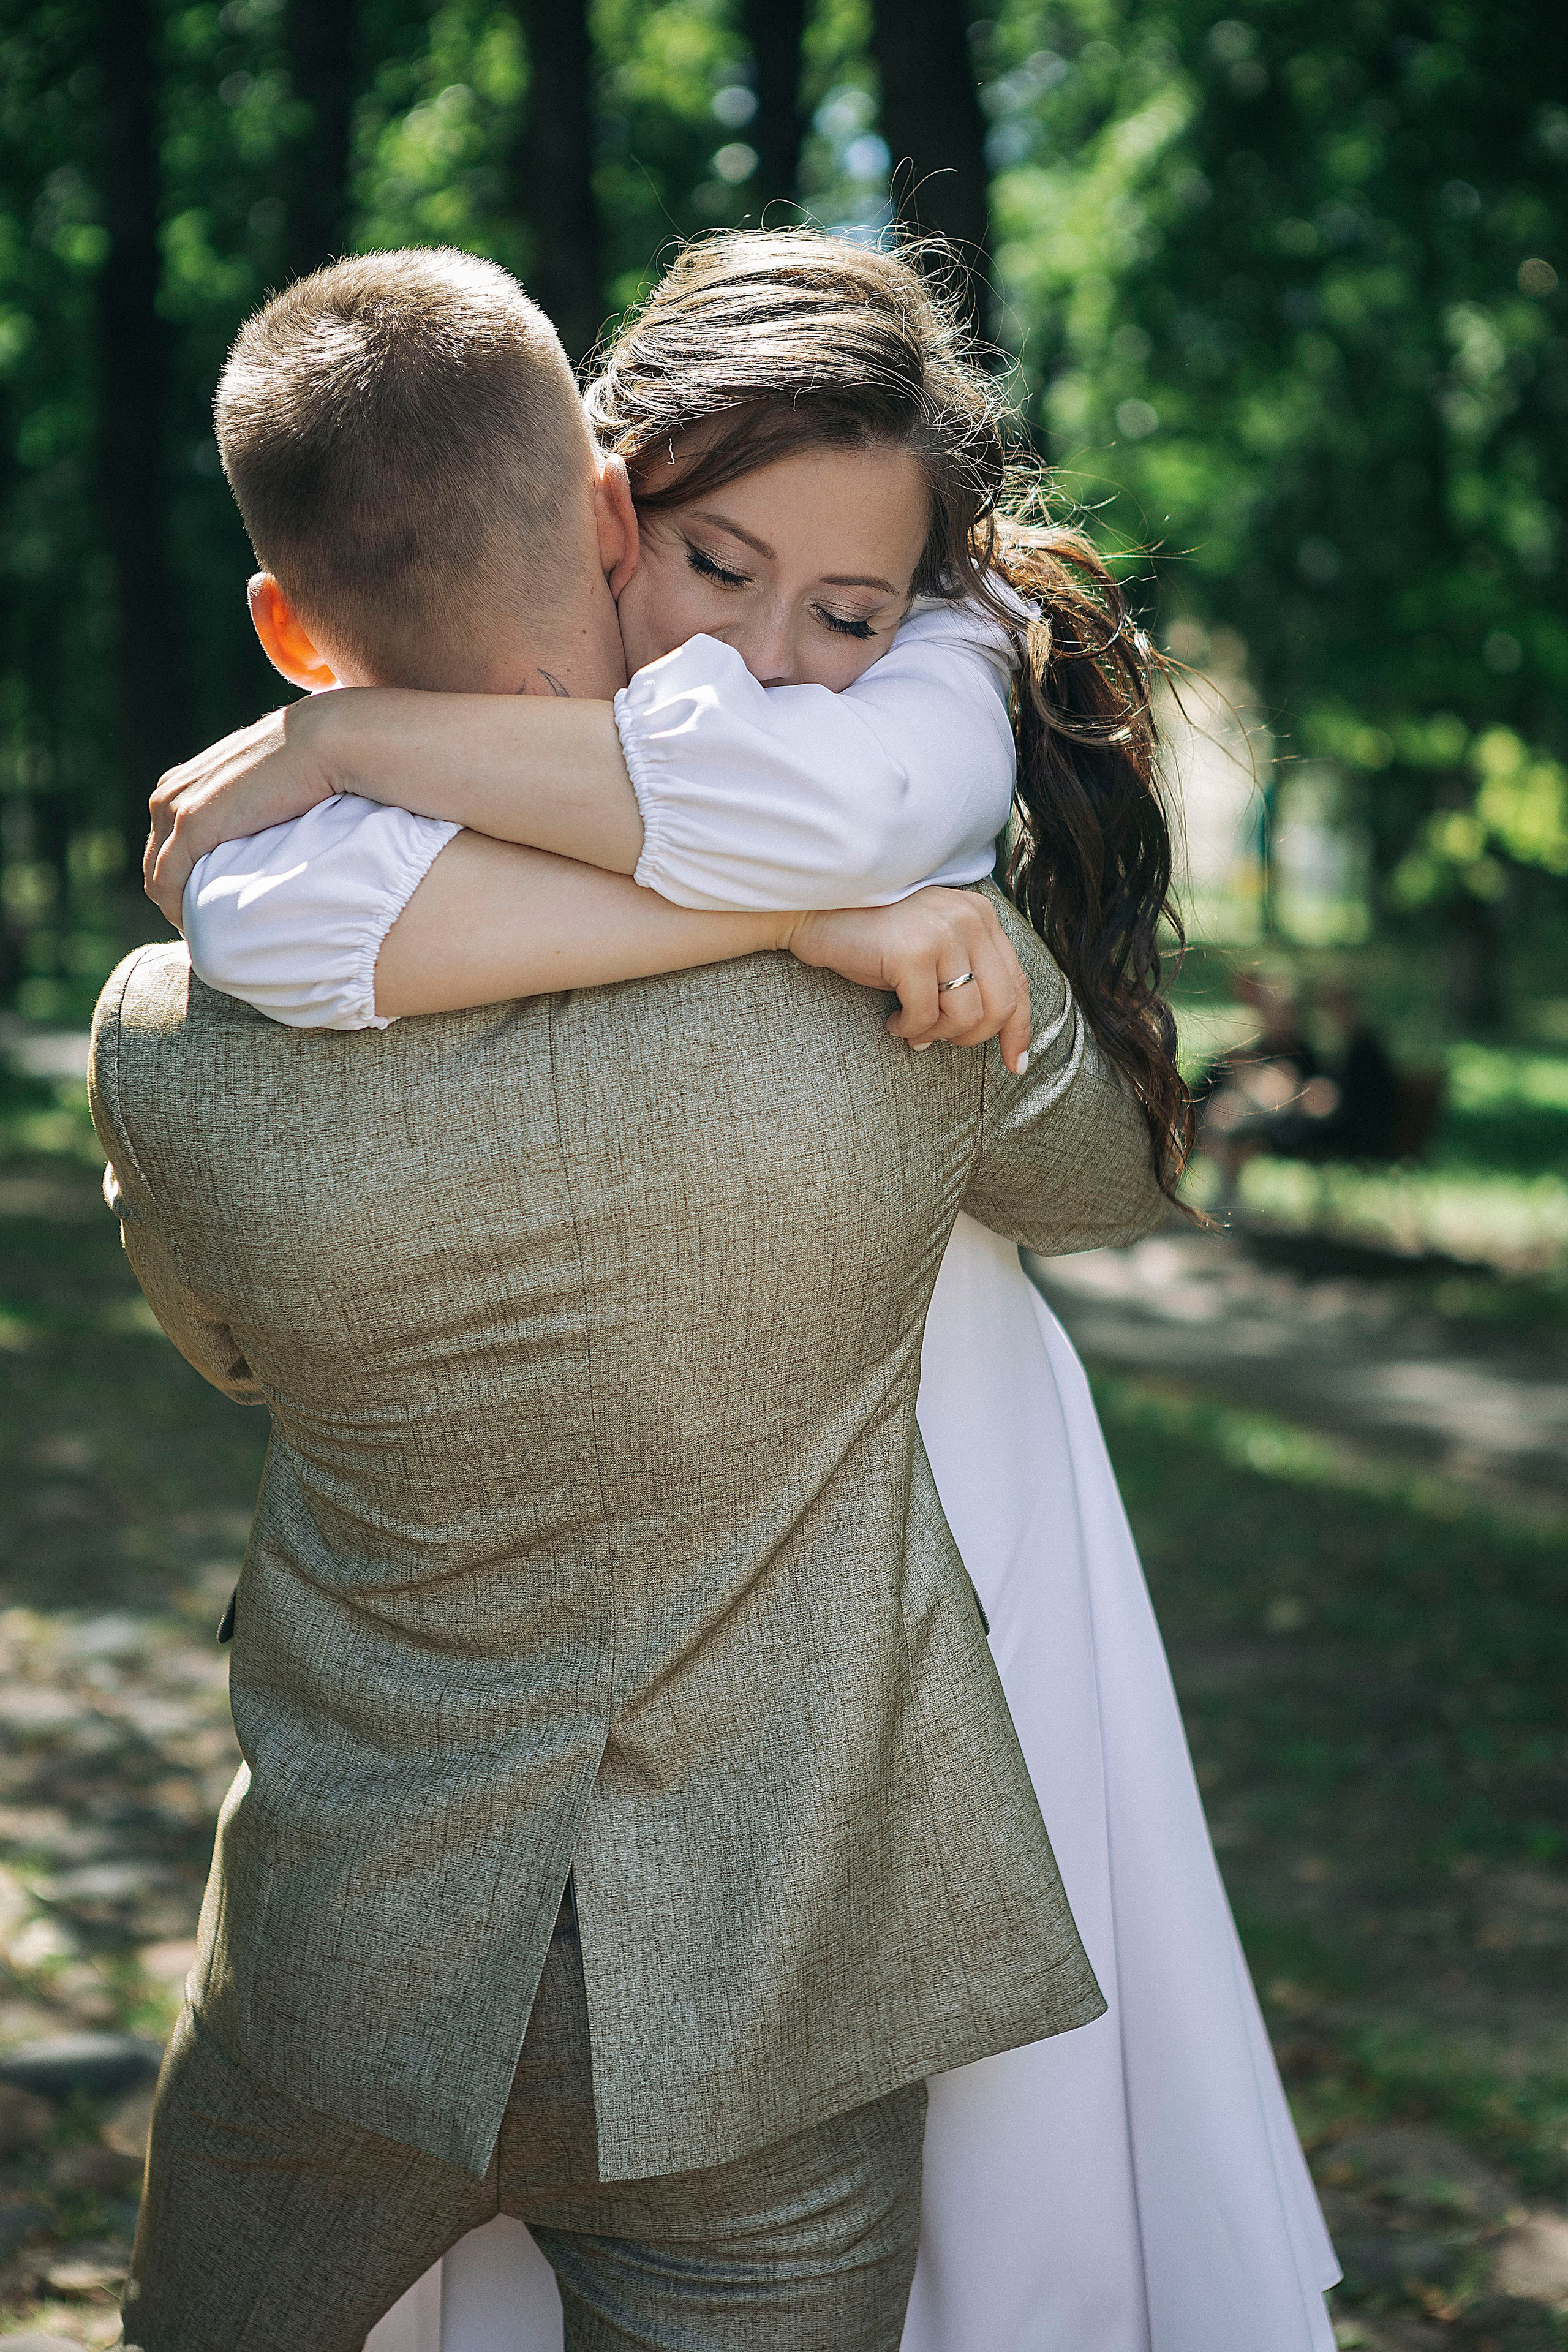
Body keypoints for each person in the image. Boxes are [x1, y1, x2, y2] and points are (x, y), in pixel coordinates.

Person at [143, 237, 1340, 2351]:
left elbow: (228, 1264)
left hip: (875, 1573)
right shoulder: (891, 948)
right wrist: (825, 930)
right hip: (745, 1821)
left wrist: (350, 748)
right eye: (715, 566)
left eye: (852, 615)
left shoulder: (904, 753)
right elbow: (1084, 1156)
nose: (785, 663)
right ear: (605, 503)